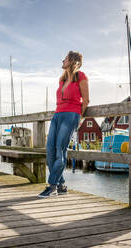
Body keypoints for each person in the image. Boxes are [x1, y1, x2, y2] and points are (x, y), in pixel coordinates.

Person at [38, 51, 89, 198]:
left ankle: (52, 185)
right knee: (50, 150)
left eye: (65, 58)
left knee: (60, 149)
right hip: (57, 115)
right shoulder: (62, 79)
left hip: (71, 115)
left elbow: (85, 100)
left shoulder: (81, 76)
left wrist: (79, 118)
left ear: (72, 61)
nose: (63, 60)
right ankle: (61, 186)